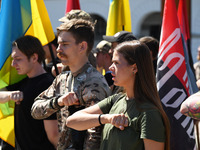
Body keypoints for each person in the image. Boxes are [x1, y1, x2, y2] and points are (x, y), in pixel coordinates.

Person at [66, 40, 170, 150]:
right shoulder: (115, 100)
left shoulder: (149, 113)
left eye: (116, 63)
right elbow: (71, 121)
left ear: (134, 68)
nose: (110, 67)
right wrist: (106, 118)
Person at [31, 19, 111, 150]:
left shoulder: (94, 83)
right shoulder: (62, 79)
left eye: (65, 44)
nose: (58, 49)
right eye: (58, 44)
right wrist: (58, 102)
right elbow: (35, 110)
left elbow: (96, 135)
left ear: (82, 47)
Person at [0, 35, 58, 150]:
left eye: (18, 59)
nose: (13, 64)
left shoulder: (47, 85)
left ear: (34, 57)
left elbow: (54, 134)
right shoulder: (24, 82)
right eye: (13, 59)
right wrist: (9, 96)